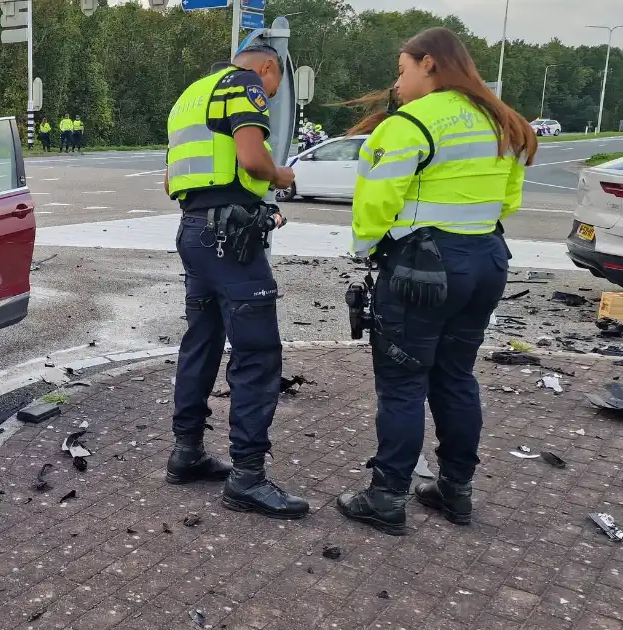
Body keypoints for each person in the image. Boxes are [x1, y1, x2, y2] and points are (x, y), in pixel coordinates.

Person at [336, 27, 536, 536]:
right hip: (487, 259)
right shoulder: (502, 119)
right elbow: (509, 200)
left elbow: (377, 199)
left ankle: (385, 497)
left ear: (429, 64)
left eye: (403, 70)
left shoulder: (413, 123)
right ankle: (455, 490)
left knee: (403, 383)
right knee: (456, 375)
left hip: (422, 267)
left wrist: (365, 248)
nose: (398, 83)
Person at [164, 48, 307, 520]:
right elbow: (252, 158)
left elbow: (171, 182)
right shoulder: (242, 84)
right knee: (258, 353)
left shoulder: (189, 96)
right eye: (275, 86)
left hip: (193, 229)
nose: (270, 95)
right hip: (229, 238)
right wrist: (279, 174)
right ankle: (247, 477)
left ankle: (187, 452)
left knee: (201, 342)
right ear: (267, 69)